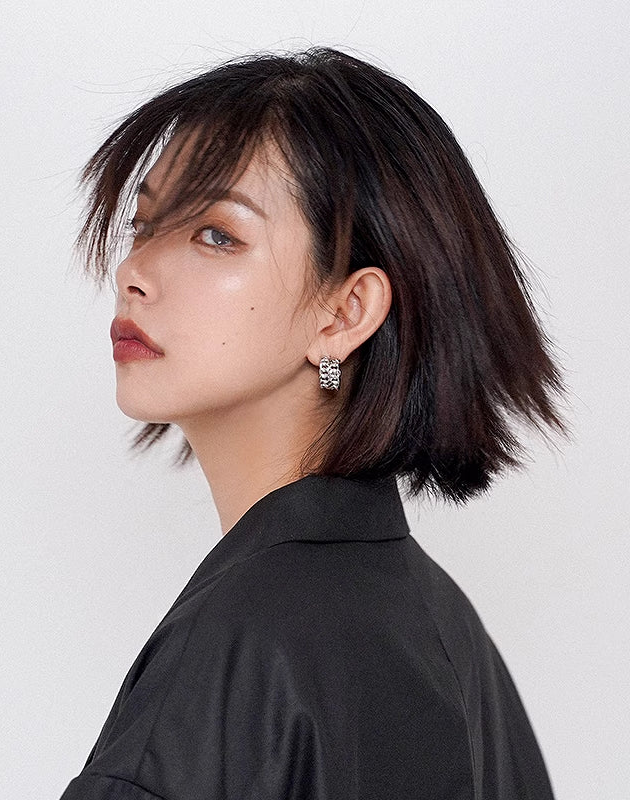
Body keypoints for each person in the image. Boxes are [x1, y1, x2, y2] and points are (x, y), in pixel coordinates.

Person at [60, 47, 568, 799]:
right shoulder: (449, 632)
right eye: (144, 224)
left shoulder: (236, 643)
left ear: (345, 312)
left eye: (217, 234)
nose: (133, 271)